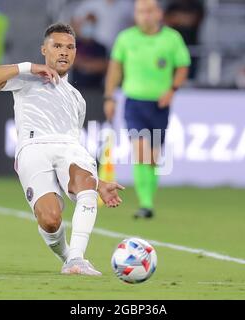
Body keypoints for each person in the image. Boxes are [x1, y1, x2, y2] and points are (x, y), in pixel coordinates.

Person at [0, 23, 124, 275]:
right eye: (57, 46)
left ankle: (77, 258)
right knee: (50, 219)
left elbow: (75, 147)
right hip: (32, 148)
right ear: (44, 49)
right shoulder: (27, 78)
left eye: (70, 47)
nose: (64, 52)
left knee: (86, 186)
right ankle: (68, 256)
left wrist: (97, 183)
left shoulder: (77, 98)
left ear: (75, 53)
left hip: (68, 147)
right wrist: (29, 67)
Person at [104, 0, 190, 219]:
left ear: (158, 13)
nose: (145, 16)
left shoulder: (172, 38)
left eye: (149, 11)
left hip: (159, 105)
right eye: (140, 11)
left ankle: (148, 200)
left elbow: (182, 66)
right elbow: (115, 69)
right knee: (140, 151)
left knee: (152, 157)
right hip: (134, 102)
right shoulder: (126, 38)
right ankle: (146, 204)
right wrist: (109, 97)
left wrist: (172, 90)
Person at [71, 13, 109, 87]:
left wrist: (82, 63)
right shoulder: (73, 44)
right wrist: (91, 64)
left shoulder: (101, 47)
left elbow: (104, 65)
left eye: (91, 24)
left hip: (96, 89)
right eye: (87, 24)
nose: (88, 27)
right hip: (76, 87)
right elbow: (70, 62)